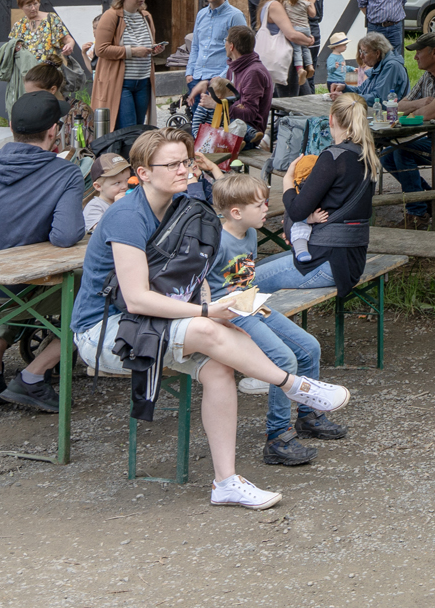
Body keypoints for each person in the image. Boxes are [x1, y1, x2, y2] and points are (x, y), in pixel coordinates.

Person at [77, 127, 353, 510]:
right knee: (209, 324)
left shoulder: (181, 208)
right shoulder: (127, 216)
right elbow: (138, 299)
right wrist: (207, 310)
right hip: (106, 331)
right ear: (142, 173)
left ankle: (226, 482)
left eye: (186, 162)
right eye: (171, 164)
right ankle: (291, 384)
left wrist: (212, 304)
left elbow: (193, 275)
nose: (183, 170)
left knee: (220, 370)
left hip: (153, 326)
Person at [0, 84, 87, 407]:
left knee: (12, 279)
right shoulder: (64, 174)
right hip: (7, 292)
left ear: (10, 127)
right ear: (54, 131)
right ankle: (33, 375)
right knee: (96, 290)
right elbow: (66, 236)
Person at [208, 172, 342, 467]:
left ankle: (308, 416)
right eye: (260, 205)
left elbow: (245, 279)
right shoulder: (216, 241)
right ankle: (278, 437)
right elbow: (202, 286)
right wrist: (218, 316)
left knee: (309, 348)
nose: (266, 208)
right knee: (283, 360)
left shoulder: (251, 233)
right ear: (236, 212)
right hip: (228, 313)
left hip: (251, 304)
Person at [255, 92, 380, 295]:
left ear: (330, 119)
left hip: (328, 262)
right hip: (353, 260)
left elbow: (297, 211)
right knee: (259, 268)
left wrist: (287, 181)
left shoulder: (333, 158)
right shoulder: (368, 156)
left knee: (244, 283)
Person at [383, 32, 435, 215]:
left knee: (401, 151)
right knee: (386, 155)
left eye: (418, 52)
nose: (414, 57)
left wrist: (414, 111)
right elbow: (399, 106)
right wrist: (420, 103)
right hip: (430, 137)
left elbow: (431, 112)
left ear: (434, 52)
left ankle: (417, 213)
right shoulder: (427, 75)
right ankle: (429, 199)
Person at [93, 0, 164, 131]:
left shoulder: (146, 16)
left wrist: (154, 49)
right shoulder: (111, 16)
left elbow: (147, 44)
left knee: (139, 128)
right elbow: (101, 49)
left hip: (144, 80)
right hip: (121, 82)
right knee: (127, 128)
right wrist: (132, 52)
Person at [184, 0, 248, 99]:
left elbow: (242, 52)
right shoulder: (201, 14)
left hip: (219, 81)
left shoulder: (235, 16)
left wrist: (222, 78)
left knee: (219, 119)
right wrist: (189, 72)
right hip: (197, 78)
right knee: (198, 119)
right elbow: (196, 46)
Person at [0, 0, 76, 86]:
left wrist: (70, 45)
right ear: (21, 6)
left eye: (35, 4)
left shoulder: (51, 19)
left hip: (49, 73)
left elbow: (68, 39)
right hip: (28, 76)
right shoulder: (18, 26)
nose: (33, 8)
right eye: (29, 5)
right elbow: (11, 50)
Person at [220, 25, 274, 143]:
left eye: (226, 41)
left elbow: (250, 114)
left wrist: (220, 106)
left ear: (231, 46)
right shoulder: (233, 67)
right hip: (231, 124)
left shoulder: (254, 72)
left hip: (249, 133)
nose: (224, 45)